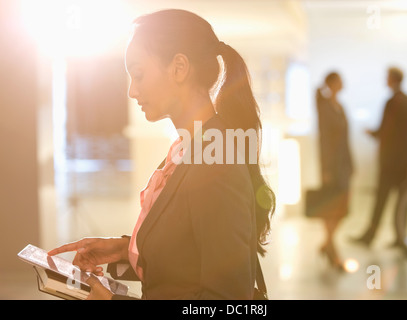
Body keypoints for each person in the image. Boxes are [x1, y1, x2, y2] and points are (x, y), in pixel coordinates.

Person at [48, 9, 276, 300]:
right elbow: (188, 261)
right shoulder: (189, 149)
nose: (132, 91)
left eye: (139, 74)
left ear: (179, 68)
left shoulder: (215, 162)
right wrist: (126, 250)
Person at [350, 66, 407, 247]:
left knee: (381, 199)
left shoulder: (392, 102)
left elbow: (384, 131)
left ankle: (370, 236)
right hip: (404, 161)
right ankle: (401, 237)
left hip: (390, 162)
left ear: (393, 79)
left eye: (387, 77)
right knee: (403, 200)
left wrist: (371, 133)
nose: (385, 80)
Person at [314, 72, 354, 270]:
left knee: (342, 208)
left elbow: (346, 139)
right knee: (332, 207)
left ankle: (327, 243)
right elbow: (324, 140)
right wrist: (326, 168)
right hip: (332, 165)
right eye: (338, 81)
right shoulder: (324, 108)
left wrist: (351, 163)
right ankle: (332, 249)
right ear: (331, 84)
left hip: (344, 164)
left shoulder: (340, 107)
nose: (342, 84)